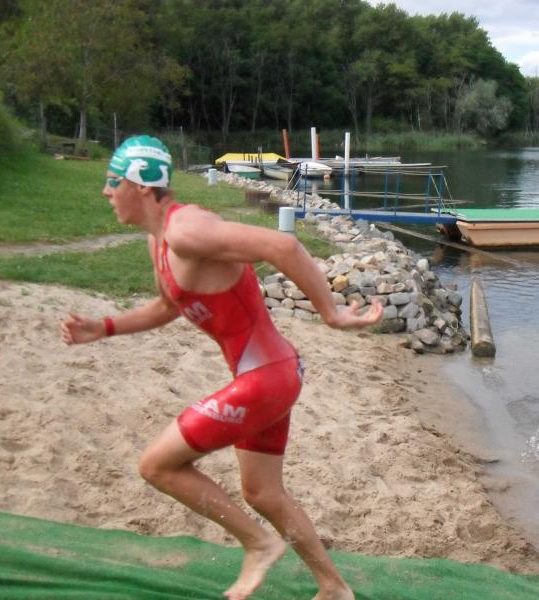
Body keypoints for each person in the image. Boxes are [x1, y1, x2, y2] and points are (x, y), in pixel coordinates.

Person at [60, 135, 382, 600]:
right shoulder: (160, 242)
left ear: (142, 186)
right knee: (262, 493)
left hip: (266, 377)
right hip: (271, 375)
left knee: (157, 466)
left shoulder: (186, 230)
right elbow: (167, 307)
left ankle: (259, 544)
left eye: (113, 181)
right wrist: (106, 327)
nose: (106, 191)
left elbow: (283, 246)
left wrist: (331, 314)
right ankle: (334, 587)